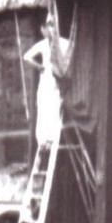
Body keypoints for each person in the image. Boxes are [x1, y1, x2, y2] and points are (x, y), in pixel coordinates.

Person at [23, 15, 72, 144]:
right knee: (43, 105)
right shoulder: (43, 44)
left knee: (54, 105)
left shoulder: (63, 43)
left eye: (51, 25)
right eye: (47, 26)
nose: (49, 29)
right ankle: (43, 139)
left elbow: (71, 54)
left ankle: (52, 137)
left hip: (57, 80)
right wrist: (39, 67)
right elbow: (26, 56)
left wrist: (63, 69)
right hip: (46, 79)